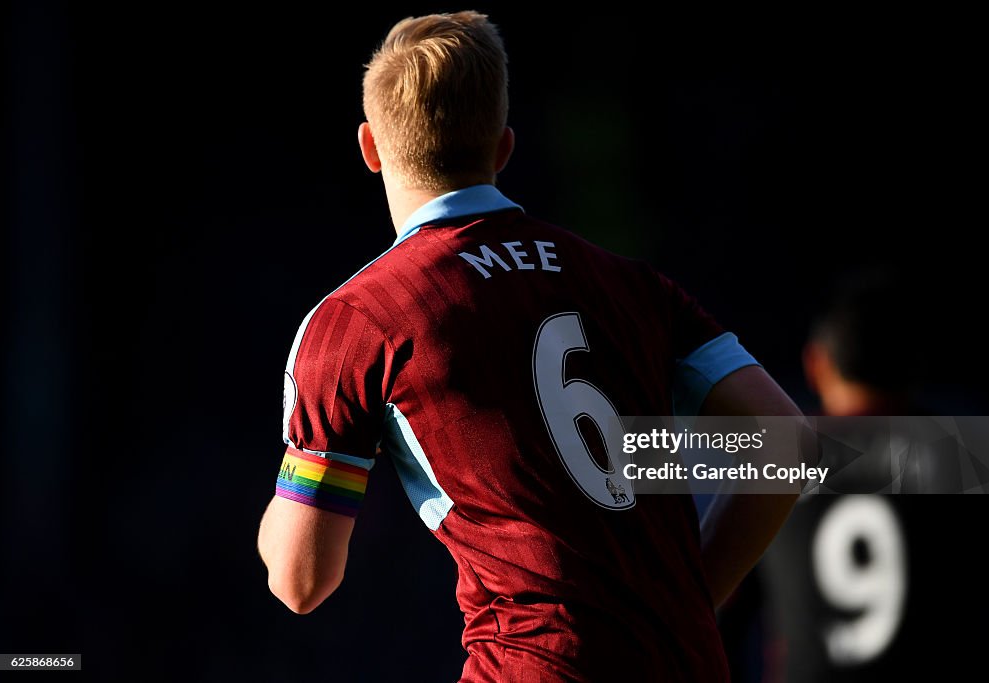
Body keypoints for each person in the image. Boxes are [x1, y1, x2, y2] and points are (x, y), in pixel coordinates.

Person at [256, 11, 802, 681]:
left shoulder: (361, 320)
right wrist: (691, 602)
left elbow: (301, 580)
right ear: (504, 147)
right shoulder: (629, 283)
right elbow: (784, 443)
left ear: (370, 147)